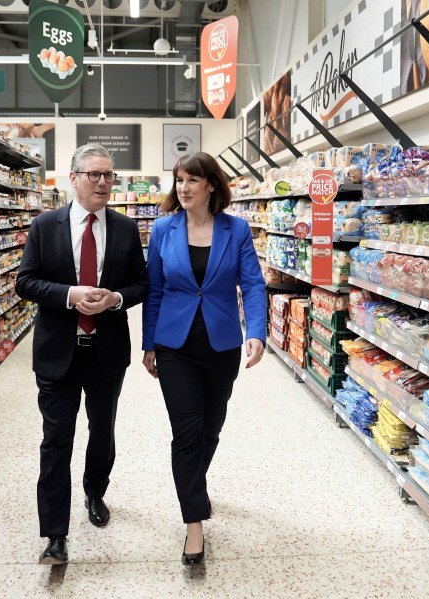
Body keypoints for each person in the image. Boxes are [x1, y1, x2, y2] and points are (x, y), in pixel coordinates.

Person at [16, 143, 148, 565]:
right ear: (72, 178)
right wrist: (70, 295)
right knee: (56, 441)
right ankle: (55, 535)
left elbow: (141, 285)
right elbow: (26, 282)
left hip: (106, 353)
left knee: (102, 431)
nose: (104, 183)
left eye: (109, 175)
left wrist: (114, 300)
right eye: (94, 175)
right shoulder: (44, 226)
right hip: (58, 353)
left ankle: (95, 492)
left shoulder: (126, 229)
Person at [141, 152, 267, 565]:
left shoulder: (237, 230)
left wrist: (258, 334)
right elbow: (154, 290)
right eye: (179, 180)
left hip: (221, 345)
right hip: (175, 344)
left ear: (211, 185)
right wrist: (148, 344)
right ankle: (193, 524)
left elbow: (252, 285)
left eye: (192, 180)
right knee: (187, 432)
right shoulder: (163, 229)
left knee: (211, 429)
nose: (184, 187)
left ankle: (195, 483)